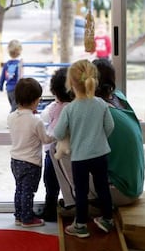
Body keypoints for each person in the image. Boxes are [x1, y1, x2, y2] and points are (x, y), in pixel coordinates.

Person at [52, 59, 145, 209]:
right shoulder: (119, 97)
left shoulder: (96, 111)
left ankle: (75, 205)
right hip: (135, 187)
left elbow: (65, 137)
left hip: (119, 192)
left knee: (56, 149)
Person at [53, 59, 115, 238]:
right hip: (101, 154)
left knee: (81, 191)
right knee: (103, 187)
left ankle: (80, 225)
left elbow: (58, 133)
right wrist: (100, 139)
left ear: (71, 83)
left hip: (80, 158)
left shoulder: (70, 109)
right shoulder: (101, 104)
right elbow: (110, 127)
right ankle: (107, 219)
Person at [7, 78, 55, 227]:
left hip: (15, 160)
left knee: (19, 189)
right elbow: (46, 139)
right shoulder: (36, 121)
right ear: (36, 100)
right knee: (28, 192)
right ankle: (27, 219)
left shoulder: (11, 117)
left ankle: (19, 215)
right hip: (31, 163)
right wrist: (57, 134)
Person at [40, 67, 74, 221]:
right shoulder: (75, 107)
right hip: (71, 152)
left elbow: (44, 118)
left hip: (52, 151)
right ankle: (70, 205)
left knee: (51, 183)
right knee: (70, 181)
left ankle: (50, 209)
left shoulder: (54, 107)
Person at [0, 39, 23, 113]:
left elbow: (2, 76)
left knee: (13, 105)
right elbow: (20, 77)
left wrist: (0, 86)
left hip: (9, 89)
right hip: (16, 89)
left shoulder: (7, 64)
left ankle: (13, 119)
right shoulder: (19, 64)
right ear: (19, 52)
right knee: (15, 108)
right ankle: (11, 120)